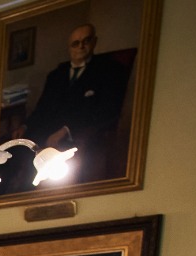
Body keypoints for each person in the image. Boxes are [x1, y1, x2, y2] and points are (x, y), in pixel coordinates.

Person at [17, 23, 129, 188]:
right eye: (76, 43)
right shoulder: (56, 75)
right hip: (48, 130)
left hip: (82, 132)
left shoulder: (109, 70)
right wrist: (25, 126)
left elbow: (108, 110)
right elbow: (43, 108)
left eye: (86, 41)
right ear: (69, 47)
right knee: (17, 149)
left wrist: (66, 130)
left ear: (94, 42)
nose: (81, 46)